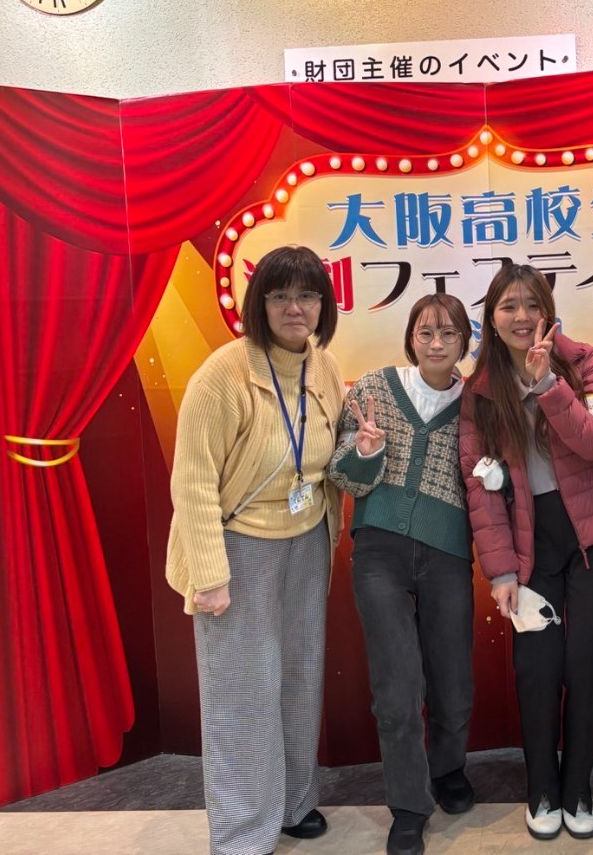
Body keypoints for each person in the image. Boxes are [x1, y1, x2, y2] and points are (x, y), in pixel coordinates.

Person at [166, 245, 344, 855]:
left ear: (323, 304)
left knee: (299, 676)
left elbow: (330, 457)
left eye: (307, 296)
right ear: (258, 304)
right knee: (242, 690)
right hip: (237, 546)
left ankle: (294, 804)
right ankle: (242, 832)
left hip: (306, 542)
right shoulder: (223, 374)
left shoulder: (324, 368)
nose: (295, 308)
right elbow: (192, 481)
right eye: (280, 296)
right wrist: (209, 575)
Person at [458, 263, 593, 842]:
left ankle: (578, 785)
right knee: (536, 668)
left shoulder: (584, 362)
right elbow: (479, 486)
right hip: (527, 544)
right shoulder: (479, 391)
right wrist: (500, 571)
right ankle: (541, 785)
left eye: (531, 304)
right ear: (491, 318)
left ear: (548, 309)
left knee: (589, 665)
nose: (521, 317)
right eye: (508, 306)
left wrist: (548, 386)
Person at [329, 294, 477, 855]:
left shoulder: (479, 405)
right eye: (425, 333)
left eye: (449, 333)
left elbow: (492, 481)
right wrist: (366, 453)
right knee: (396, 686)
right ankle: (409, 806)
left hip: (448, 553)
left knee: (453, 682)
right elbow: (345, 478)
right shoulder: (373, 390)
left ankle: (448, 768)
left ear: (465, 342)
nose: (436, 344)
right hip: (379, 554)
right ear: (410, 337)